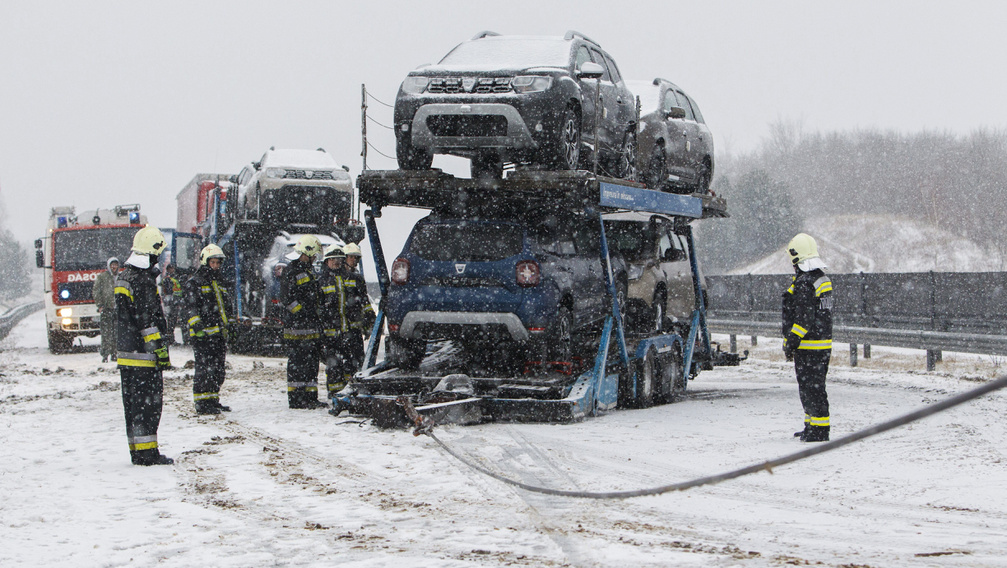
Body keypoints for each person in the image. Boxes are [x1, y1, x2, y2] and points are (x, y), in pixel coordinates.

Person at [116, 225, 173, 466]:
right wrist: (160, 351)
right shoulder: (142, 280)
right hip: (143, 357)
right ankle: (148, 455)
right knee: (148, 406)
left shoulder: (124, 276)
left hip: (127, 355)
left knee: (133, 408)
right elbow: (147, 321)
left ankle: (138, 452)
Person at [782, 233, 833, 443]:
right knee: (814, 386)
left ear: (796, 257)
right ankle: (812, 424)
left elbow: (803, 319)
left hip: (809, 347)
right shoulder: (821, 278)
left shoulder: (804, 283)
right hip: (822, 345)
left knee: (811, 388)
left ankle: (819, 429)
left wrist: (791, 343)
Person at [184, 244, 233, 415]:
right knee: (204, 369)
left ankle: (212, 399)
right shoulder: (195, 283)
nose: (216, 266)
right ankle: (201, 402)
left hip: (218, 334)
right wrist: (197, 328)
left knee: (218, 369)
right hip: (203, 336)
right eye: (213, 262)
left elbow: (226, 306)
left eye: (218, 263)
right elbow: (190, 308)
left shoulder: (220, 282)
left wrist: (231, 325)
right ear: (206, 262)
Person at [280, 235, 327, 409]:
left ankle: (310, 397)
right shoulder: (291, 271)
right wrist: (302, 314)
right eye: (313, 254)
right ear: (306, 252)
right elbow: (288, 300)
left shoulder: (309, 272)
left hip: (311, 328)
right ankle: (296, 399)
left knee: (311, 363)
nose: (315, 258)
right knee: (297, 364)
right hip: (297, 329)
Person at [334, 242, 376, 390]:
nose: (355, 260)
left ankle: (354, 386)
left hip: (354, 327)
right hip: (340, 327)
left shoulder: (358, 278)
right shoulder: (336, 277)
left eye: (357, 258)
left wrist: (370, 317)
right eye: (352, 257)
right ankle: (341, 387)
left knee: (357, 359)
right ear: (345, 257)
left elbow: (364, 301)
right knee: (342, 360)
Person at [93, 257, 119, 363]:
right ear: (109, 266)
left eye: (116, 265)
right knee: (106, 333)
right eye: (112, 265)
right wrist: (100, 305)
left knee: (116, 333)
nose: (114, 267)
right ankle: (105, 354)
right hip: (106, 309)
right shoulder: (102, 277)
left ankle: (115, 353)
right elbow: (96, 291)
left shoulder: (121, 277)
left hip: (117, 309)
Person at [159, 264, 183, 345]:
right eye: (171, 268)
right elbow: (167, 292)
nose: (172, 270)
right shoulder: (168, 279)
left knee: (172, 321)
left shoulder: (174, 278)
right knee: (170, 322)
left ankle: (170, 339)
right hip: (171, 303)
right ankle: (170, 339)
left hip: (174, 302)